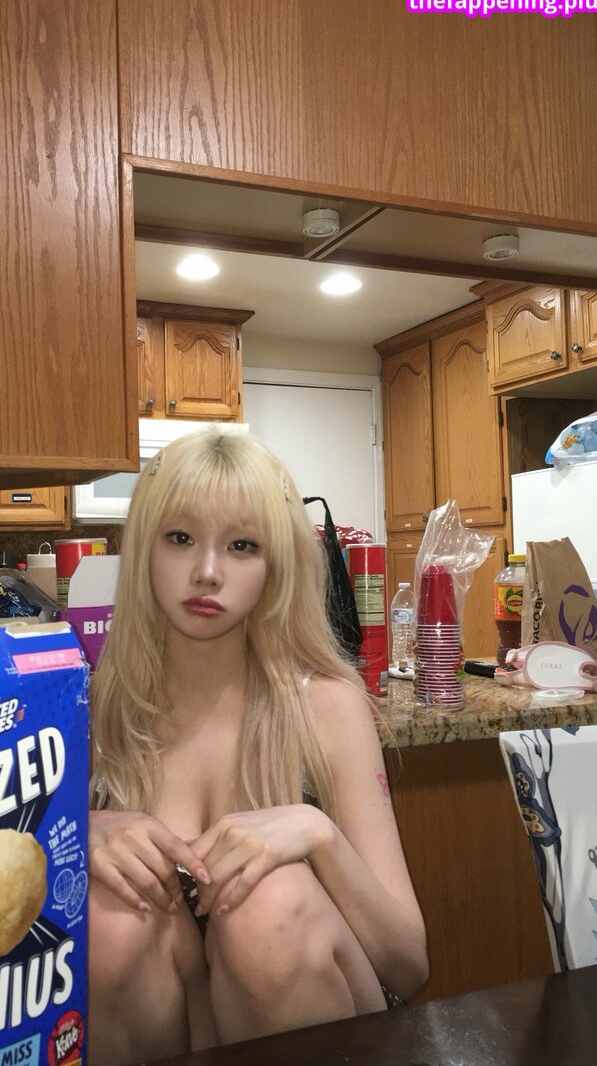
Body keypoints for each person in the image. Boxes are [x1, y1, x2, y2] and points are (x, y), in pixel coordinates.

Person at [88, 427, 427, 1065]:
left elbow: (409, 966)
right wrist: (77, 841)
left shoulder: (326, 705)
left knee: (269, 907)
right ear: (143, 549)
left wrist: (317, 834)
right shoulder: (93, 712)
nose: (207, 572)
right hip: (169, 1020)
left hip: (331, 1032)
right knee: (106, 915)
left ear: (276, 565)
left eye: (242, 545)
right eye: (180, 538)